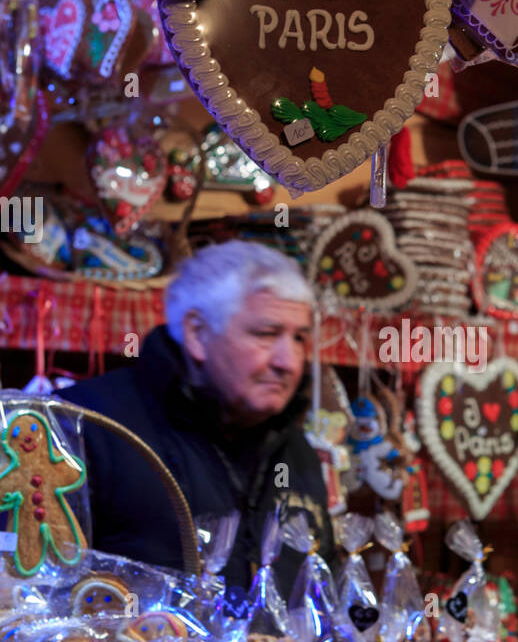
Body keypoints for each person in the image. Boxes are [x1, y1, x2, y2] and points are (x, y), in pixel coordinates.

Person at [64, 240, 334, 604]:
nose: (288, 361)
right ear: (197, 333)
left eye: (299, 338)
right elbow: (33, 601)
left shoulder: (296, 450)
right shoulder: (87, 425)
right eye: (266, 334)